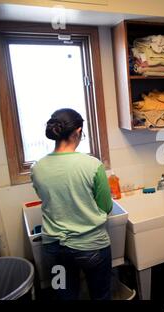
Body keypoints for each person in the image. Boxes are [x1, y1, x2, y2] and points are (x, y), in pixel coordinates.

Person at [31, 108, 113, 300]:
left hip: (54, 250)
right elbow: (106, 207)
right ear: (77, 132)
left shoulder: (37, 168)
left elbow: (48, 198)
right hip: (92, 248)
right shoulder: (93, 165)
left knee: (63, 297)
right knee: (101, 295)